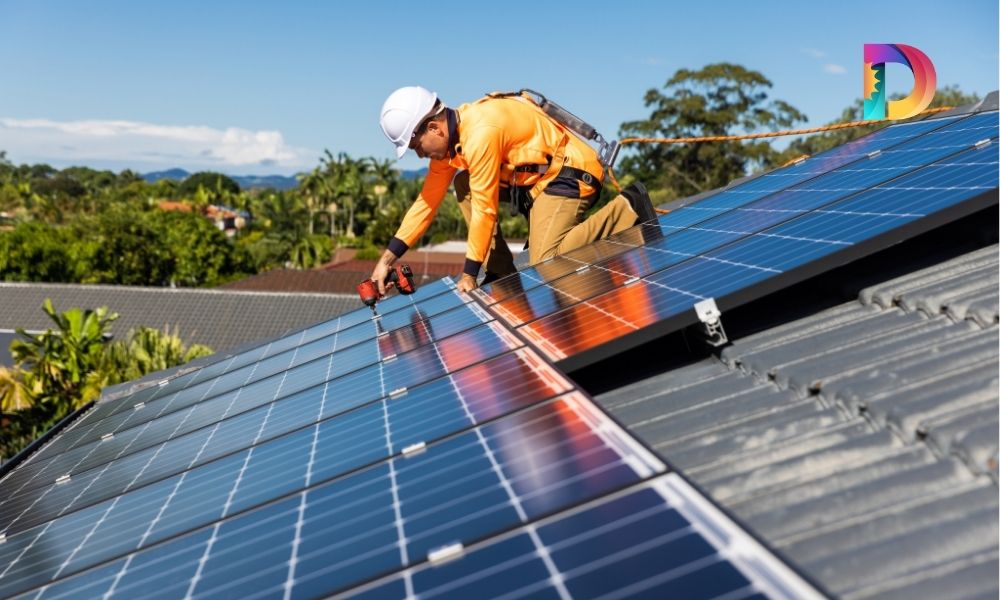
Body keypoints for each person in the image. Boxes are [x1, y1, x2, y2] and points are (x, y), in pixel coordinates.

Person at [371, 86, 656, 294]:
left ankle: (628, 207)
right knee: (463, 182)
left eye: (416, 146)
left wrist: (469, 273)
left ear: (434, 128)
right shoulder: (451, 146)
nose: (419, 155)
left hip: (569, 173)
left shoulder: (481, 132)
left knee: (548, 260)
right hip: (538, 185)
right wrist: (387, 260)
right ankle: (500, 271)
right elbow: (426, 203)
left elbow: (485, 207)